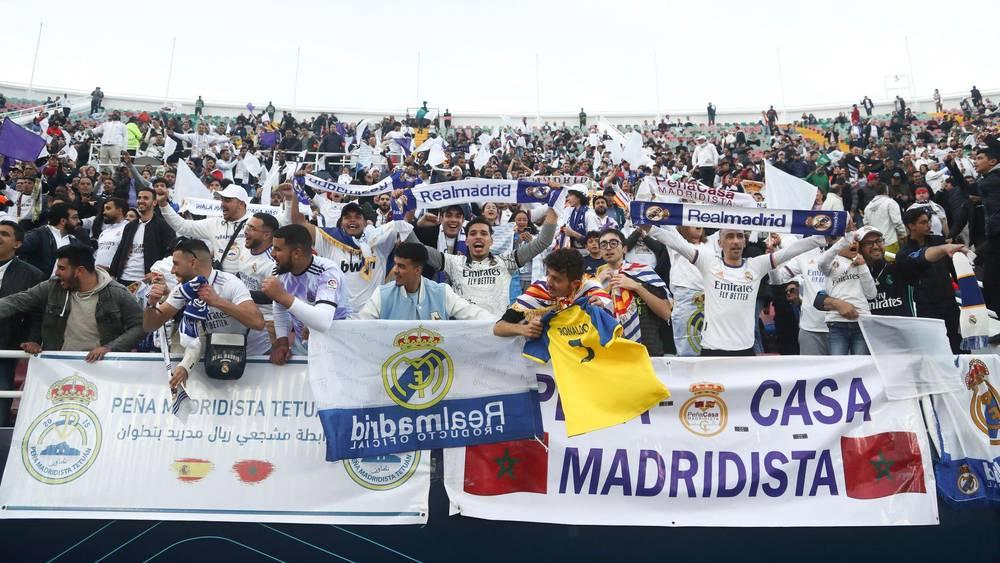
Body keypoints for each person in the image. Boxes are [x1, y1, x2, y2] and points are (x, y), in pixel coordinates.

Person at [646, 226, 826, 356]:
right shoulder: (709, 262)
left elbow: (793, 250)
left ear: (745, 240)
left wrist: (822, 238)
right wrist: (649, 228)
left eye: (739, 236)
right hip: (712, 350)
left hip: (744, 350)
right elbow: (676, 243)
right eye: (730, 236)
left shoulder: (757, 265)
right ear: (719, 242)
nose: (735, 241)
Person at [143, 238, 268, 386]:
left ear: (193, 263)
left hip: (254, 357)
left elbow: (258, 322)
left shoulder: (230, 283)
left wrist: (217, 302)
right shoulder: (184, 289)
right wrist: (151, 304)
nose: (172, 270)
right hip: (217, 353)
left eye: (176, 264)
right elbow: (151, 325)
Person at [281, 185, 413, 313]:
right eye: (347, 217)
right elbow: (300, 224)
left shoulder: (379, 240)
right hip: (338, 313)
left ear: (365, 222)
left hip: (373, 313)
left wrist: (403, 199)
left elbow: (402, 225)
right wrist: (293, 197)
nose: (352, 220)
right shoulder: (329, 239)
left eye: (357, 217)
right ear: (341, 222)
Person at [0, 244, 143, 360]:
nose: (56, 273)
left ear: (79, 271)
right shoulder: (52, 286)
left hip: (101, 368)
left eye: (62, 268)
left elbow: (140, 325)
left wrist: (110, 348)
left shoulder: (117, 293)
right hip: (59, 365)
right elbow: (16, 301)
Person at [414, 207, 557, 316]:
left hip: (496, 334)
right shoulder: (453, 262)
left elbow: (544, 241)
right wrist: (406, 218)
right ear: (467, 241)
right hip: (463, 334)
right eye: (473, 234)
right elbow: (416, 248)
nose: (478, 237)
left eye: (484, 233)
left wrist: (553, 205)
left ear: (491, 241)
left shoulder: (507, 262)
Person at [262, 224, 349, 364]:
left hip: (335, 354)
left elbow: (323, 321)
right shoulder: (281, 270)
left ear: (296, 253)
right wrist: (283, 342)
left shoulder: (327, 272)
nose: (272, 254)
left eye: (277, 249)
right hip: (301, 353)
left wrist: (282, 295)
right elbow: (279, 307)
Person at [494, 248, 612, 338]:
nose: (549, 282)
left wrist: (601, 310)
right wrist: (523, 329)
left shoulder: (591, 290)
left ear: (575, 284)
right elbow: (498, 328)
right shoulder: (540, 290)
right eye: (548, 274)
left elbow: (612, 319)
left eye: (557, 279)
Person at [357, 242, 491, 320]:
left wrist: (499, 324)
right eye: (396, 264)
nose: (395, 270)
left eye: (402, 266)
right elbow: (359, 324)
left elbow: (471, 313)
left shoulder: (441, 292)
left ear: (417, 270)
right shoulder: (382, 294)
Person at [895, 207, 965, 353]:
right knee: (936, 350)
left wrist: (965, 289)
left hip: (950, 303)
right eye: (923, 222)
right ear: (911, 226)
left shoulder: (939, 240)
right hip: (927, 308)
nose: (929, 225)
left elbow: (953, 269)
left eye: (929, 221)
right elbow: (916, 265)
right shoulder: (903, 253)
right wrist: (943, 249)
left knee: (960, 346)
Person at [594, 229, 672, 355]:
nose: (608, 248)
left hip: (648, 350)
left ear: (624, 248)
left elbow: (666, 313)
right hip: (611, 352)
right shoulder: (595, 281)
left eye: (613, 243)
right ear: (601, 251)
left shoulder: (643, 273)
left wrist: (637, 287)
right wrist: (597, 284)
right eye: (603, 245)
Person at [0, 221, 45, 426]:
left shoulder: (32, 274)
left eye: (4, 234)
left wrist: (33, 339)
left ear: (17, 244)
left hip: (7, 344)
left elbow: (38, 313)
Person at [156, 183, 252, 274]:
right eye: (222, 200)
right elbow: (182, 226)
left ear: (241, 204)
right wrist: (163, 204)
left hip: (247, 283)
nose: (222, 205)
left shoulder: (255, 224)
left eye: (227, 200)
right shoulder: (215, 224)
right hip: (223, 283)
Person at [816, 228, 878, 355]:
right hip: (837, 323)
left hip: (861, 322)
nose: (853, 243)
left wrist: (863, 266)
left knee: (859, 367)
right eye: (848, 241)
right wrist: (843, 241)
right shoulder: (832, 262)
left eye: (856, 241)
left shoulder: (862, 264)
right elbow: (822, 262)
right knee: (838, 366)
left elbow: (872, 294)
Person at [770, 237, 828, 355]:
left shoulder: (847, 249)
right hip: (810, 328)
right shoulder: (806, 251)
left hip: (841, 326)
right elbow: (778, 279)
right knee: (812, 373)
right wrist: (771, 262)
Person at [109, 185, 175, 286]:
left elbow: (170, 253)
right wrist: (112, 273)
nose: (141, 200)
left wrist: (157, 271)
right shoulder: (130, 226)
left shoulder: (164, 226)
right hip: (123, 278)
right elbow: (120, 250)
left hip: (146, 281)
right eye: (139, 198)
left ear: (154, 202)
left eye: (145, 198)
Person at [974, 138, 1000, 313]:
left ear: (993, 161)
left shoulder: (994, 178)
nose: (975, 162)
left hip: (997, 235)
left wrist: (988, 139)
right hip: (994, 236)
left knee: (992, 282)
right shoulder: (988, 179)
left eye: (979, 158)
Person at [19, 203, 79, 275]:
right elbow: (17, 248)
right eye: (74, 218)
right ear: (63, 221)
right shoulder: (39, 234)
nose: (78, 221)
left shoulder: (75, 242)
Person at [862, 182, 905, 254]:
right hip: (890, 241)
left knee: (880, 264)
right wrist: (903, 234)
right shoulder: (890, 202)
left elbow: (866, 224)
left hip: (875, 244)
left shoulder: (868, 207)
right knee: (893, 264)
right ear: (886, 191)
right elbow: (897, 221)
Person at [93, 197, 129, 271]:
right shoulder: (104, 233)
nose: (104, 212)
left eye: (108, 208)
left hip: (118, 276)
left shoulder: (129, 228)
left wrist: (110, 268)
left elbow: (130, 255)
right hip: (100, 275)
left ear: (119, 210)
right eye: (104, 209)